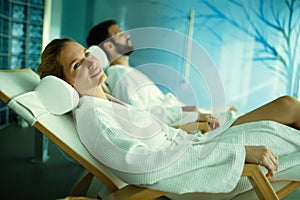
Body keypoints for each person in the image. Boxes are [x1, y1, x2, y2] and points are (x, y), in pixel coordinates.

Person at [38, 38, 300, 197]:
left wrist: (188, 126)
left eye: (86, 54)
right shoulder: (95, 120)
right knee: (287, 123)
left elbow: (152, 132)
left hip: (198, 146)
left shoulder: (103, 104)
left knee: (287, 106)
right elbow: (144, 166)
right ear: (65, 87)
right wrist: (239, 152)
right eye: (77, 65)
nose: (91, 62)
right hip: (204, 167)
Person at [86, 20, 229, 130]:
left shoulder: (128, 72)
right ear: (109, 46)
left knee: (231, 111)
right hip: (178, 122)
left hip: (181, 114)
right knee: (234, 119)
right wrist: (192, 114)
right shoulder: (118, 75)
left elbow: (156, 104)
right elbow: (141, 116)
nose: (127, 35)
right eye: (119, 33)